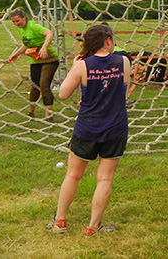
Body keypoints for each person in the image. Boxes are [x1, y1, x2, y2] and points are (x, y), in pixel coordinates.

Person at [47, 24, 131, 236]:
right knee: (105, 178)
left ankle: (60, 221)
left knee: (73, 174)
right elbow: (122, 89)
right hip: (115, 127)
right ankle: (93, 227)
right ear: (107, 41)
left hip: (87, 127)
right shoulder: (123, 61)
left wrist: (76, 68)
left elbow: (63, 93)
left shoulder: (82, 65)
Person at [7, 9, 60, 120]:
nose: (16, 24)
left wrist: (44, 47)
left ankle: (48, 115)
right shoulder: (21, 29)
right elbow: (26, 44)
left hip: (49, 59)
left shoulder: (33, 26)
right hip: (36, 60)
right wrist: (15, 55)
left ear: (24, 18)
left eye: (17, 21)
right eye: (13, 22)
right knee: (35, 86)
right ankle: (31, 112)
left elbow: (49, 33)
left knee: (44, 85)